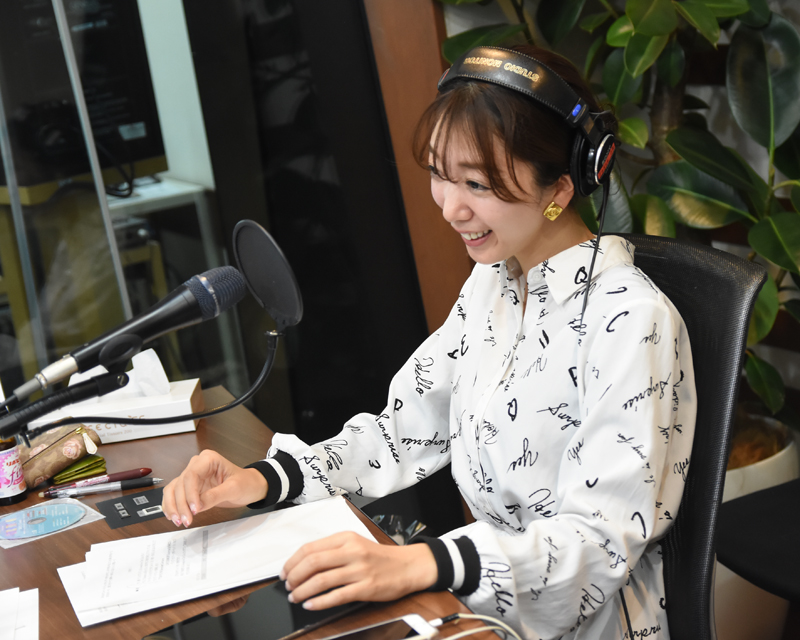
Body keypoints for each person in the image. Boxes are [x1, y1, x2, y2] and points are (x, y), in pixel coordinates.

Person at [162, 44, 696, 640]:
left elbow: (599, 538)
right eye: (440, 174)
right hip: (480, 602)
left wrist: (422, 564)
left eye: (477, 183)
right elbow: (402, 430)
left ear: (562, 188)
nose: (450, 207)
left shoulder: (632, 319)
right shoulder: (494, 282)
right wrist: (265, 480)